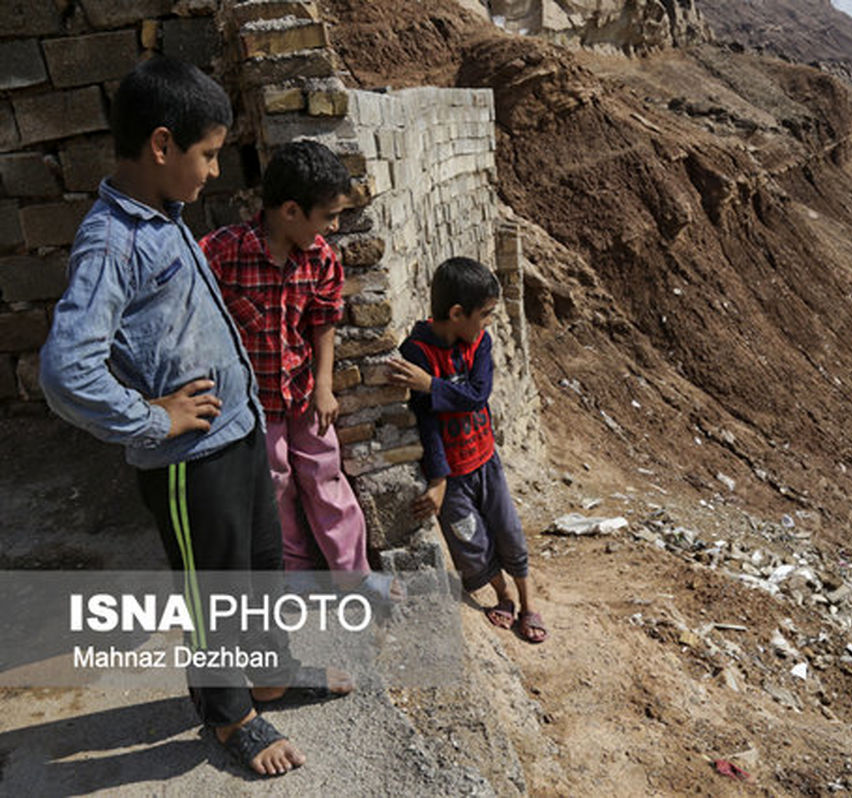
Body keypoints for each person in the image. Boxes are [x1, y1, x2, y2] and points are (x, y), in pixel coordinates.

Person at [39, 56, 352, 778]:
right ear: (161, 146)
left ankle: (268, 674)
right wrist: (151, 417)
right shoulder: (111, 241)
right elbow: (65, 369)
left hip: (238, 432)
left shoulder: (167, 218)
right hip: (187, 459)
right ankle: (230, 715)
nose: (215, 171)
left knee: (261, 568)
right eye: (207, 154)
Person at [200, 140, 402, 603]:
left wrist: (325, 386)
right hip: (252, 405)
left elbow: (324, 320)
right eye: (328, 217)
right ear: (291, 210)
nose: (334, 228)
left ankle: (354, 574)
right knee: (274, 489)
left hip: (304, 393)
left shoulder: (321, 259)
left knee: (326, 476)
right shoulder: (222, 252)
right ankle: (295, 577)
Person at [388, 257, 547, 644]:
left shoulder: (478, 342)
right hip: (454, 475)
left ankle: (529, 604)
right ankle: (503, 595)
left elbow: (478, 396)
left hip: (485, 460)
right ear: (457, 313)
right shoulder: (417, 354)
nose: (489, 322)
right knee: (471, 543)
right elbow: (424, 420)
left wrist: (433, 385)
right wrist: (439, 478)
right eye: (486, 314)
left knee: (508, 531)